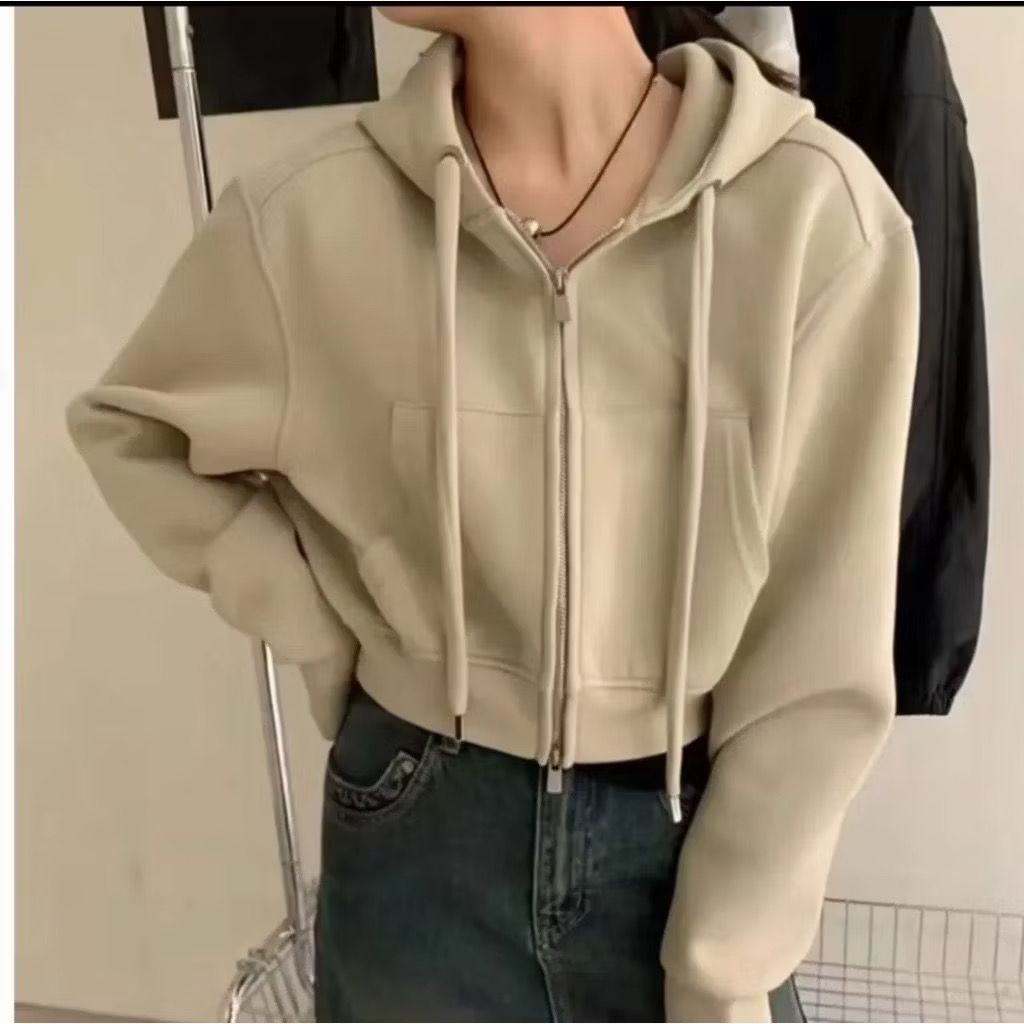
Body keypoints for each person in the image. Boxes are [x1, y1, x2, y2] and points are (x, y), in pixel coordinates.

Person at [67, 6, 919, 1021]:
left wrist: (721, 965)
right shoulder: (307, 217)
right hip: (419, 836)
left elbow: (815, 663)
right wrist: (327, 632)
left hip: (690, 834)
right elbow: (132, 430)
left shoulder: (816, 218)